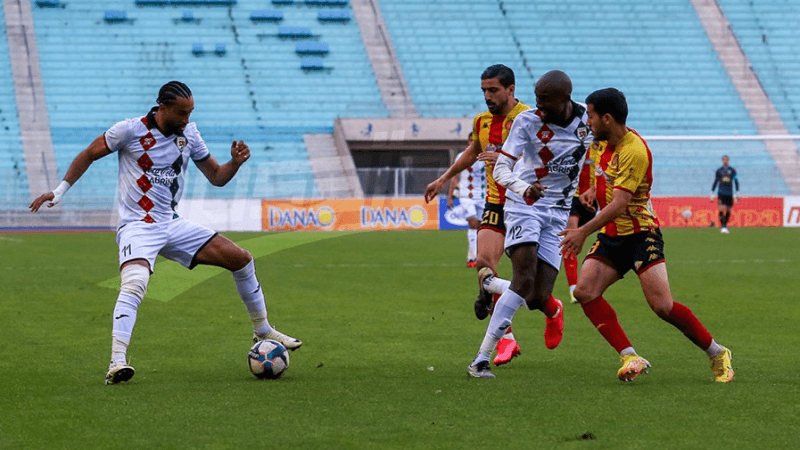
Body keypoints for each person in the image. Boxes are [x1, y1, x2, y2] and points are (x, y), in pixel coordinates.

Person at [29, 81, 302, 385]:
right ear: (163, 107)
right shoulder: (129, 131)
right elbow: (89, 154)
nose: (187, 119)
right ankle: (117, 361)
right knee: (134, 284)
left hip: (171, 223)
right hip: (137, 226)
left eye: (190, 113)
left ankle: (262, 329)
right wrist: (59, 191)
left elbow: (216, 177)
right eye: (182, 113)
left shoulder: (190, 135)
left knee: (241, 258)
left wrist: (234, 164)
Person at [559, 87, 734, 383]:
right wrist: (592, 190)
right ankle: (629, 355)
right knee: (585, 291)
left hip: (642, 235)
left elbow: (620, 203)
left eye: (590, 115)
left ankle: (718, 353)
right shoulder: (602, 142)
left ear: (608, 118)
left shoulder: (634, 150)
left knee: (662, 307)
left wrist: (581, 231)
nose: (587, 121)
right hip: (612, 235)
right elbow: (608, 181)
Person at [467, 70, 590, 378]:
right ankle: (481, 359)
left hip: (558, 213)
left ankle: (493, 285)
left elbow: (611, 149)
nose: (539, 107)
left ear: (565, 99)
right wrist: (524, 189)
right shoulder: (528, 122)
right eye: (536, 100)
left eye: (545, 101)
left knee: (536, 298)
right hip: (524, 205)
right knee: (522, 280)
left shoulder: (588, 121)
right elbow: (501, 169)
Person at [425, 64, 530, 366]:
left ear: (510, 89)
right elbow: (472, 152)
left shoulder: (528, 119)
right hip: (495, 204)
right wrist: (443, 179)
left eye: (493, 90)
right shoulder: (482, 121)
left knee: (532, 287)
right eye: (484, 90)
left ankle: (552, 310)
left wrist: (509, 159)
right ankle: (506, 340)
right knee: (484, 265)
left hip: (525, 206)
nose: (487, 96)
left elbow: (543, 160)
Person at [563, 140, 600, 303]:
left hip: (593, 199)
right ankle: (573, 288)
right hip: (572, 198)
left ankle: (585, 282)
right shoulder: (569, 144)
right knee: (571, 240)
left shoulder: (598, 147)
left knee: (578, 243)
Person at [446, 135, 487, 268]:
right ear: (468, 142)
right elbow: (454, 176)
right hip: (466, 196)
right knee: (473, 223)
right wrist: (450, 195)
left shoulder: (486, 156)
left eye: (475, 140)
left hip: (482, 196)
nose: (472, 143)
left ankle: (478, 256)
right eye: (471, 140)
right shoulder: (461, 157)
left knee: (481, 227)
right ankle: (472, 258)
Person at [711, 155, 739, 234]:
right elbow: (716, 181)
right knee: (722, 209)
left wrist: (737, 192)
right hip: (721, 192)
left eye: (727, 160)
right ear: (722, 161)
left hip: (729, 193)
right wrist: (712, 192)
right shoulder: (719, 171)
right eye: (724, 160)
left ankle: (725, 225)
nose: (725, 161)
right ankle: (723, 226)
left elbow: (736, 181)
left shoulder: (732, 170)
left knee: (729, 210)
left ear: (728, 161)